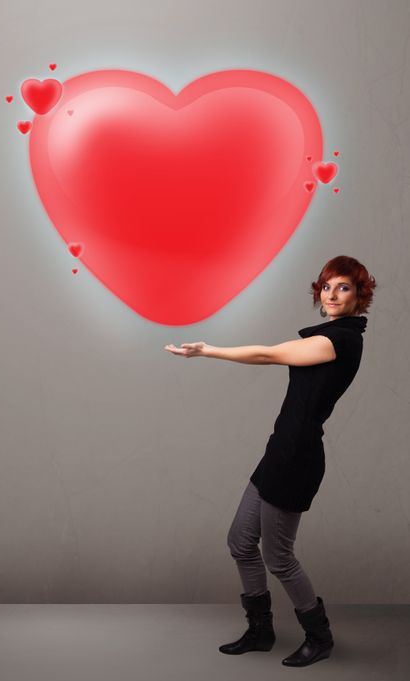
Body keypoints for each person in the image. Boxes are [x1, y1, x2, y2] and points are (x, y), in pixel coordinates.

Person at [164, 255, 376, 667]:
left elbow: (269, 355)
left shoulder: (342, 340)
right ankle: (261, 631)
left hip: (297, 458)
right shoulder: (330, 332)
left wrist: (210, 350)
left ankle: (320, 636)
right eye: (327, 286)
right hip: (279, 450)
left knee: (278, 556)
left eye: (343, 287)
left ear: (359, 295)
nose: (332, 295)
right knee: (240, 542)